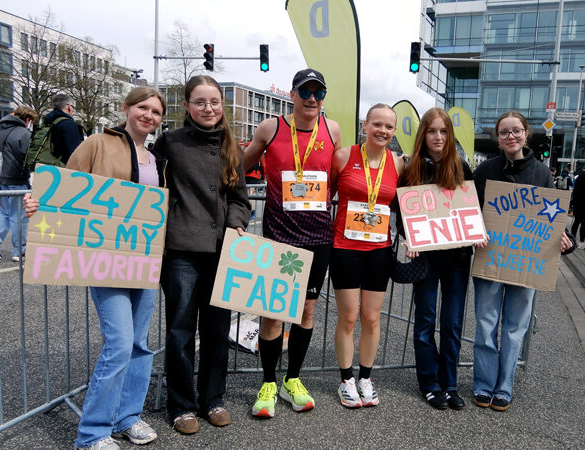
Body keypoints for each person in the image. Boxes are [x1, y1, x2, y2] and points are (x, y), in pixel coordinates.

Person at [23, 86, 167, 449]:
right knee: (119, 343)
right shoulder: (97, 144)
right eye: (142, 107)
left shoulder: (154, 158)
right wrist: (36, 202)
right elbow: (65, 188)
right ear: (126, 108)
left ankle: (128, 417)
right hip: (106, 259)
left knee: (138, 344)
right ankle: (92, 433)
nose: (148, 115)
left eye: (156, 111)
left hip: (144, 259)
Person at [153, 75, 251, 434]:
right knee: (179, 330)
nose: (208, 108)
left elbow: (240, 197)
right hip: (181, 249)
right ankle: (181, 405)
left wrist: (235, 222)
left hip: (221, 250)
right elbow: (146, 183)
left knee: (216, 330)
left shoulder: (230, 145)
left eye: (214, 102)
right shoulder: (170, 142)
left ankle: (214, 399)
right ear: (187, 106)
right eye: (200, 102)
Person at [243, 68, 341, 418]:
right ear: (292, 94)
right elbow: (240, 166)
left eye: (319, 92)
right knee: (273, 312)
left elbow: (345, 175)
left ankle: (293, 380)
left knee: (305, 311)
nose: (312, 99)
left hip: (317, 236)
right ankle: (268, 382)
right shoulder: (271, 128)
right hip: (279, 234)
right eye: (305, 92)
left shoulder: (333, 130)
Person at [472, 111, 573, 411]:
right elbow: (470, 210)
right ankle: (483, 383)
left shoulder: (542, 174)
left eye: (516, 131)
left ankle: (504, 387)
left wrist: (564, 238)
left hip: (524, 263)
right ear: (498, 138)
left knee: (515, 328)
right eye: (504, 132)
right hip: (490, 259)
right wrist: (474, 229)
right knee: (486, 325)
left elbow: (549, 218)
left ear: (526, 134)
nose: (510, 137)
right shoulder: (485, 171)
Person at [397, 107, 473, 410]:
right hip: (426, 256)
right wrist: (408, 237)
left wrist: (476, 231)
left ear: (449, 134)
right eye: (432, 131)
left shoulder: (462, 167)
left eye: (443, 131)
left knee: (452, 322)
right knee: (426, 320)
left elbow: (472, 208)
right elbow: (402, 210)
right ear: (423, 135)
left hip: (457, 257)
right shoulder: (412, 168)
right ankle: (429, 383)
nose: (438, 137)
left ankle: (450, 382)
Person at [329, 104, 404, 408]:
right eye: (377, 124)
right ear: (365, 125)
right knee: (348, 317)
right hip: (345, 248)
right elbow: (325, 194)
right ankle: (346, 379)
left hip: (378, 251)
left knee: (371, 318)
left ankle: (365, 378)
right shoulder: (344, 156)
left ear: (394, 131)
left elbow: (408, 204)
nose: (382, 131)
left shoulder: (398, 164)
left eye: (388, 127)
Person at [0, 106, 38, 261]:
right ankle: (19, 250)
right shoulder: (23, 133)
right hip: (16, 177)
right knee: (19, 215)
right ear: (27, 120)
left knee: (5, 211)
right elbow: (29, 157)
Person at [44, 93, 83, 164]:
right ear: (69, 107)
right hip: (60, 169)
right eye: (73, 107)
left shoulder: (46, 122)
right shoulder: (69, 124)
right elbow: (74, 154)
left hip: (43, 165)